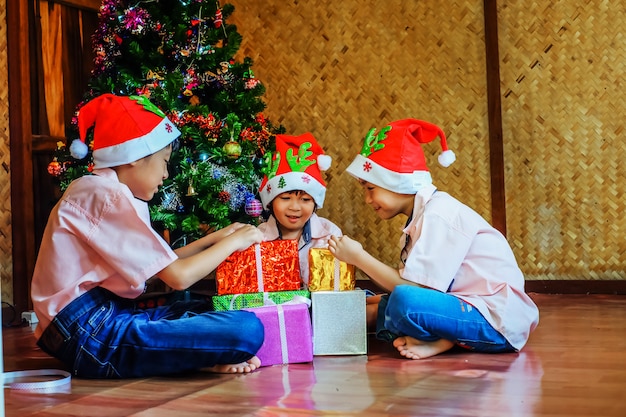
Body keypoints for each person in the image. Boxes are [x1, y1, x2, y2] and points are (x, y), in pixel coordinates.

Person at [31, 94, 265, 378]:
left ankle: (193, 356)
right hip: (87, 330)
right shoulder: (104, 194)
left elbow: (159, 266)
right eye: (164, 162)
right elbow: (178, 277)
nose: (166, 174)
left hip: (101, 318)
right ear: (134, 159)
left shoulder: (105, 190)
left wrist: (216, 237)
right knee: (246, 329)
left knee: (202, 307)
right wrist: (235, 241)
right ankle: (196, 353)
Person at [328, 118, 539, 359]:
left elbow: (415, 289)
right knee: (373, 302)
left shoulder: (438, 214)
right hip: (463, 305)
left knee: (404, 301)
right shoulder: (421, 217)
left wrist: (358, 257)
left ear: (395, 180)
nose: (367, 200)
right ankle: (424, 332)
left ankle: (445, 340)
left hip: (496, 319)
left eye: (370, 188)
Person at [257, 133, 342, 286]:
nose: (295, 207)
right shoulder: (258, 238)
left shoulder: (330, 236)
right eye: (285, 198)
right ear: (270, 202)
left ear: (315, 203)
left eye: (305, 200)